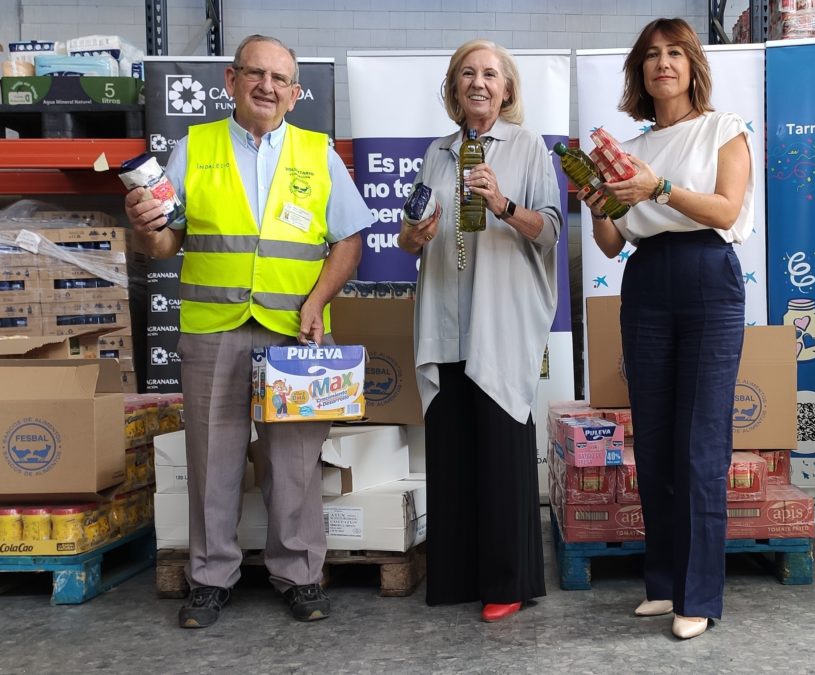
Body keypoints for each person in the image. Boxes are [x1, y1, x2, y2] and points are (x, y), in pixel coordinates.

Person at [124, 34, 373, 628]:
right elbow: (165, 241)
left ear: (294, 93)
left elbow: (350, 242)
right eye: (255, 74)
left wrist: (316, 302)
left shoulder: (320, 153)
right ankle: (210, 579)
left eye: (280, 79)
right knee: (214, 458)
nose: (267, 86)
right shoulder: (196, 146)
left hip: (296, 333)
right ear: (231, 82)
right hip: (215, 329)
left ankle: (301, 574)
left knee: (295, 460)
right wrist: (143, 227)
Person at [580, 18, 754, 639]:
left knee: (701, 447)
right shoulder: (633, 149)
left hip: (708, 275)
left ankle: (699, 595)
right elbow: (612, 243)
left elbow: (727, 210)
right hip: (647, 280)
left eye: (675, 52)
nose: (663, 64)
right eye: (651, 55)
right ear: (640, 72)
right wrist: (598, 205)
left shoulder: (724, 129)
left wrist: (664, 188)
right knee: (652, 444)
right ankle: (664, 583)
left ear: (692, 65)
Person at [397, 40, 560, 622]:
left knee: (498, 450)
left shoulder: (529, 147)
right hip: (445, 317)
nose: (478, 82)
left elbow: (550, 230)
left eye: (490, 74)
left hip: (500, 320)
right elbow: (409, 237)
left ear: (507, 89)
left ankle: (506, 581)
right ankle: (458, 575)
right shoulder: (437, 154)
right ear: (453, 87)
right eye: (467, 73)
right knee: (452, 448)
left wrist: (504, 204)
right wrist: (413, 235)